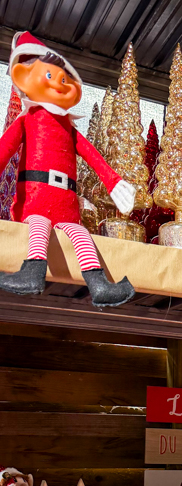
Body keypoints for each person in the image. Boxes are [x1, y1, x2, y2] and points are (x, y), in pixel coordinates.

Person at [0, 32, 136, 306]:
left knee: (81, 235)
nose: (60, 85)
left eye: (65, 79)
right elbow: (4, 150)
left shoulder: (69, 129)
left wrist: (113, 183)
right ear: (25, 78)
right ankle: (32, 274)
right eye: (51, 77)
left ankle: (99, 285)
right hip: (35, 202)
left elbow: (94, 156)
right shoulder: (28, 120)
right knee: (37, 227)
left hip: (67, 206)